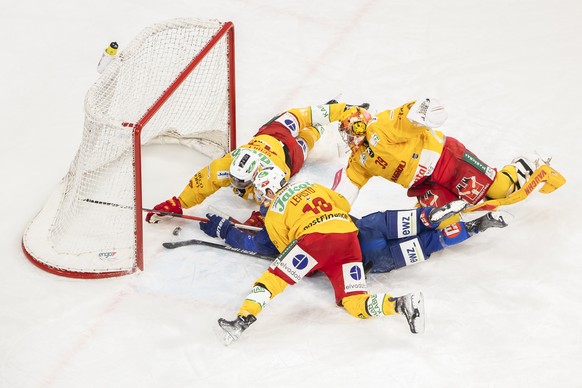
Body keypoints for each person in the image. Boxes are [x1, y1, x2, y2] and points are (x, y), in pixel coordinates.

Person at [214, 166, 430, 345]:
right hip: (348, 237)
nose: (262, 199)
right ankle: (400, 304)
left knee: (273, 279)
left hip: (314, 241)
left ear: (270, 191)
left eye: (262, 193)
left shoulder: (272, 214)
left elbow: (282, 248)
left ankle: (243, 318)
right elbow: (343, 205)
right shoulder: (309, 185)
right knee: (354, 302)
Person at [145, 101, 360, 225]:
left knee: (311, 132)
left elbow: (279, 203)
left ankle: (328, 116)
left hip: (288, 155)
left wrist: (343, 112)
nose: (236, 186)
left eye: (242, 183)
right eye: (236, 182)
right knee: (306, 133)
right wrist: (178, 202)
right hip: (270, 135)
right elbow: (202, 182)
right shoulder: (228, 166)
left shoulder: (270, 179)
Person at [199, 188, 507, 274]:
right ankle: (429, 215)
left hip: (361, 257)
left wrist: (224, 229)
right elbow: (341, 202)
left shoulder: (274, 224)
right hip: (364, 224)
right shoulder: (305, 189)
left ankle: (471, 227)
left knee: (428, 245)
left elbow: (257, 245)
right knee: (410, 223)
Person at [331, 98, 538, 208]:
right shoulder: (359, 160)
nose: (350, 138)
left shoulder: (380, 126)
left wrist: (423, 112)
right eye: (346, 133)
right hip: (423, 184)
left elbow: (409, 115)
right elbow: (349, 184)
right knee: (430, 221)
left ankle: (523, 164)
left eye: (352, 130)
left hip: (447, 161)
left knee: (500, 192)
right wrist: (334, 211)